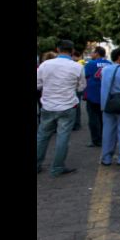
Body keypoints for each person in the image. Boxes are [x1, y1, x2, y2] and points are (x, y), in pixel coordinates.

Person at [37, 40, 86, 177]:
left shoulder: (45, 65)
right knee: (63, 137)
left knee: (42, 136)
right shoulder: (77, 67)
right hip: (68, 106)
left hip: (47, 106)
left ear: (57, 49)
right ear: (72, 50)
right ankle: (57, 167)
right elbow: (81, 86)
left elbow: (38, 84)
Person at [83, 47, 112, 147]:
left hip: (93, 94)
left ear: (97, 53)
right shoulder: (110, 64)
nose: (91, 54)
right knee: (104, 118)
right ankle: (105, 138)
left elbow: (84, 76)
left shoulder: (90, 64)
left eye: (93, 52)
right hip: (107, 94)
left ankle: (96, 140)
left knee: (93, 118)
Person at [71, 50, 85, 130]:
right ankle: (76, 123)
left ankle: (76, 123)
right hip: (77, 88)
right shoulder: (80, 63)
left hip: (75, 88)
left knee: (75, 106)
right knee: (77, 106)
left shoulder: (78, 64)